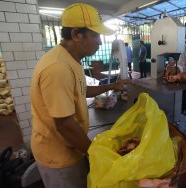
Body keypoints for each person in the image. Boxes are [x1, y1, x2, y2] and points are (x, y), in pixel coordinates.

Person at [30, 3, 131, 188]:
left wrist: (114, 85)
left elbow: (82, 91)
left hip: (73, 147)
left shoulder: (73, 60)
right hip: (59, 154)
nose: (100, 42)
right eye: (95, 35)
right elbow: (64, 125)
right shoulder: (57, 68)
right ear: (76, 35)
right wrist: (95, 153)